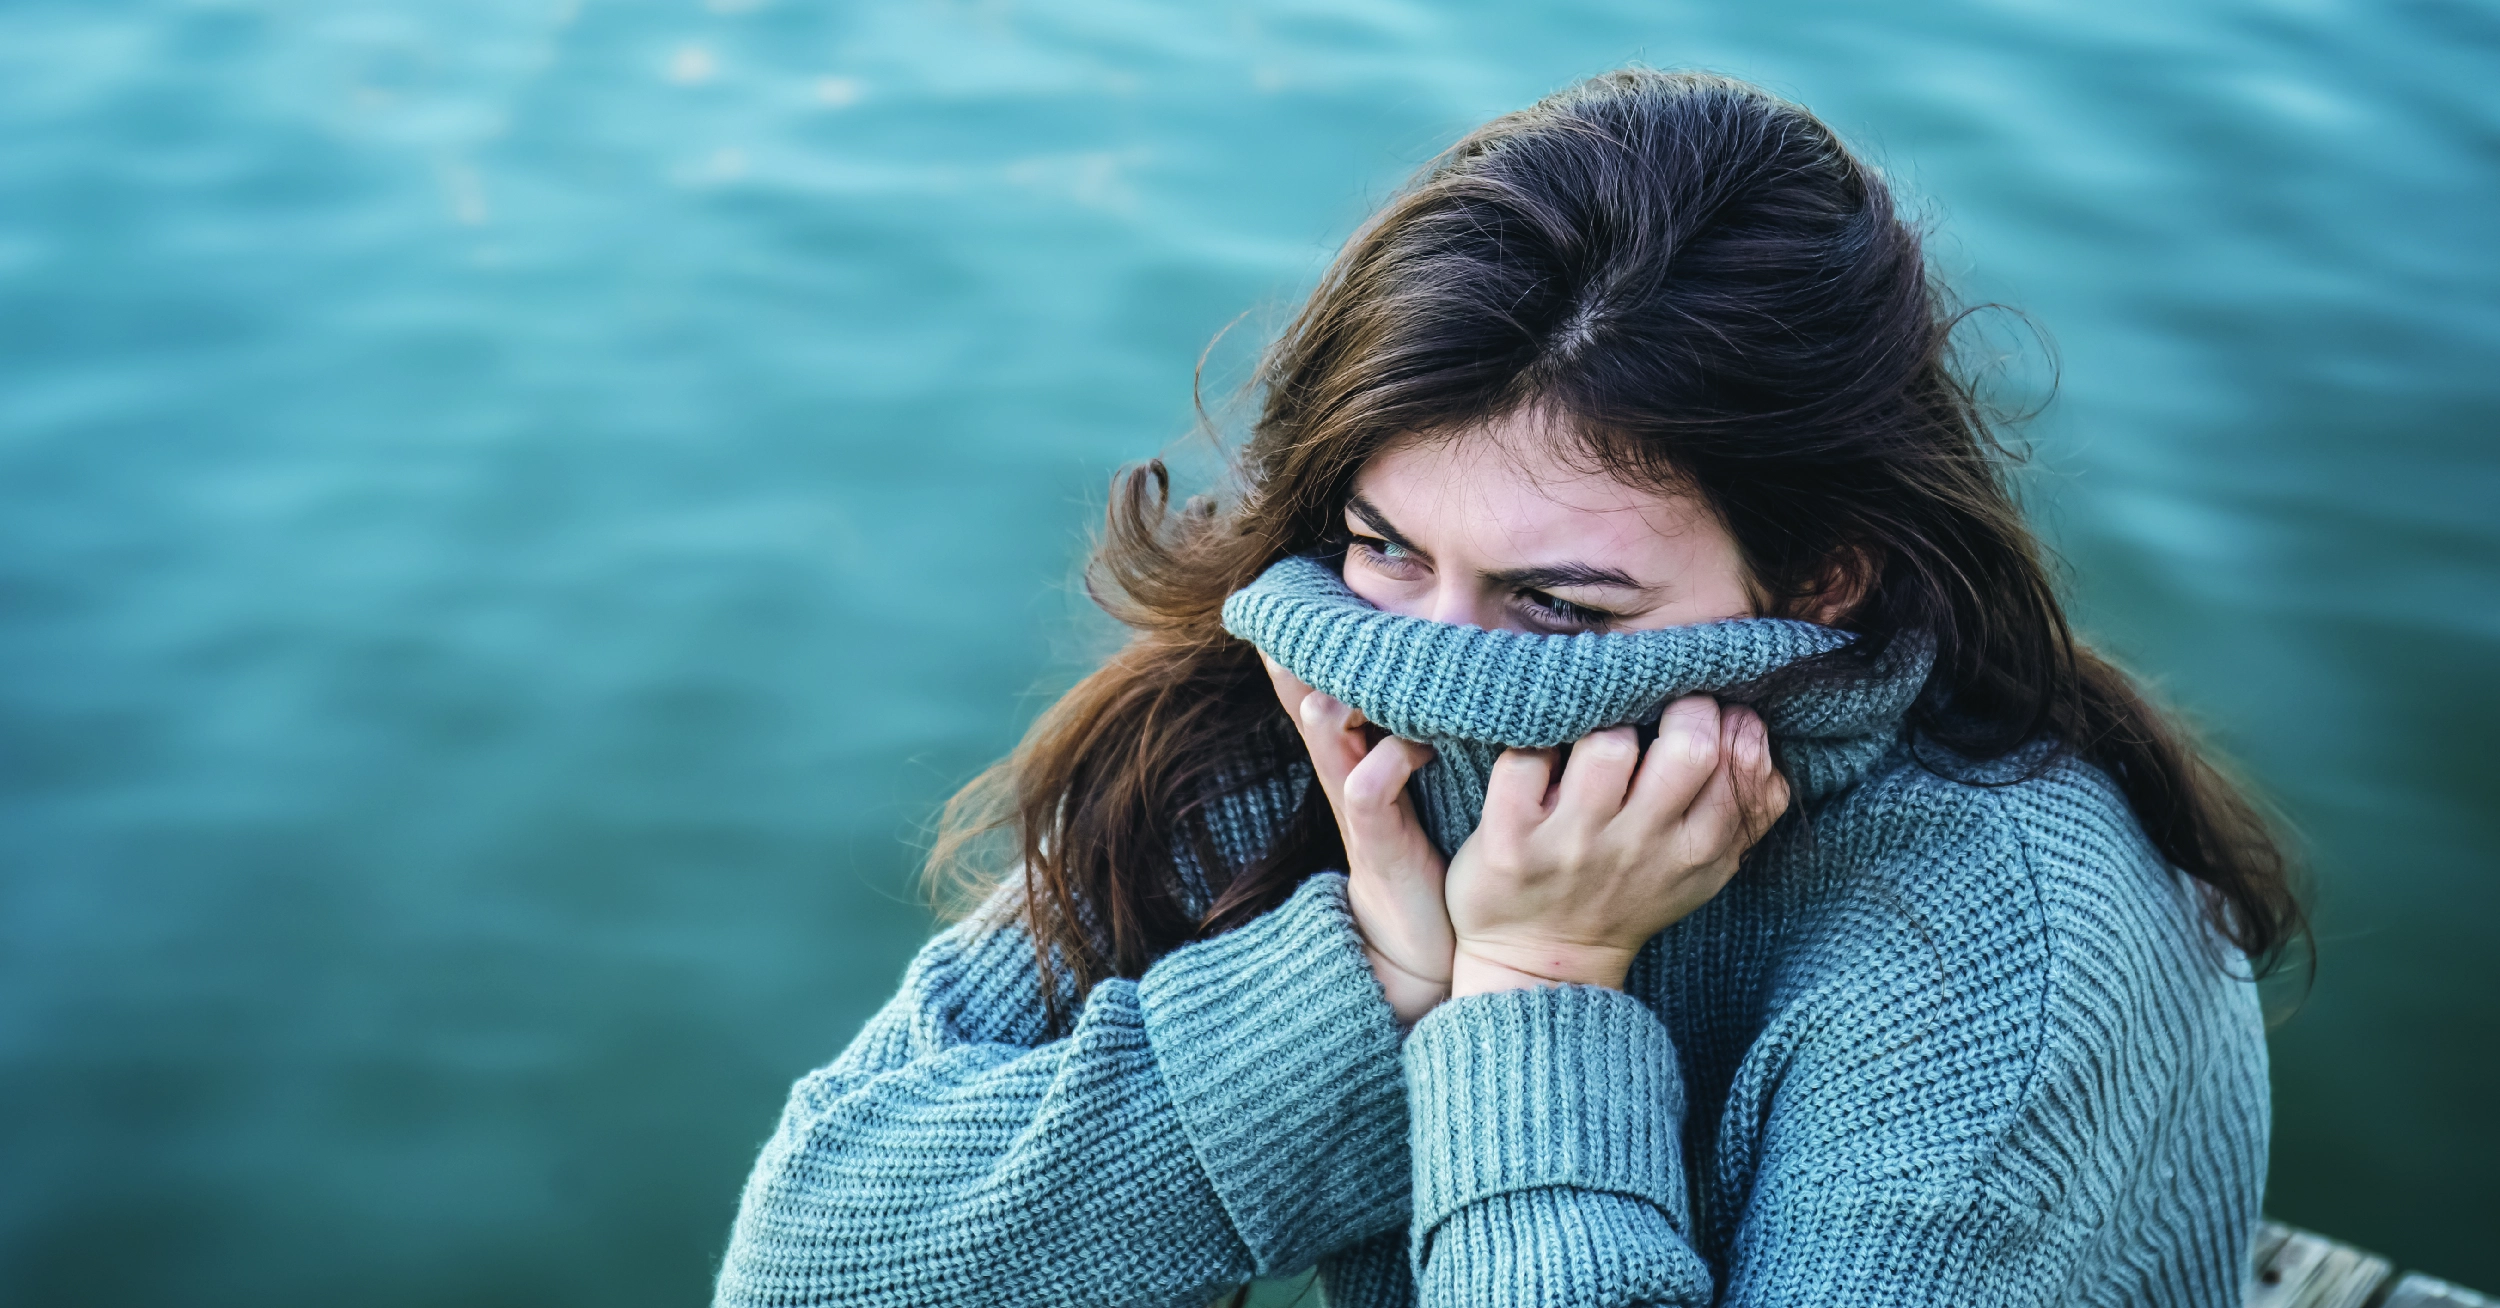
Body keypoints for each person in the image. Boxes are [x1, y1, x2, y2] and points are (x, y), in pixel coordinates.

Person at [711, 68, 2302, 1308]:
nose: (1437, 671)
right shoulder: (1318, 718)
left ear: (1824, 578)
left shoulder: (2002, 957)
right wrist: (1367, 998)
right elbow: (806, 1265)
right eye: (1386, 547)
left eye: (1555, 601)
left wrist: (1535, 990)